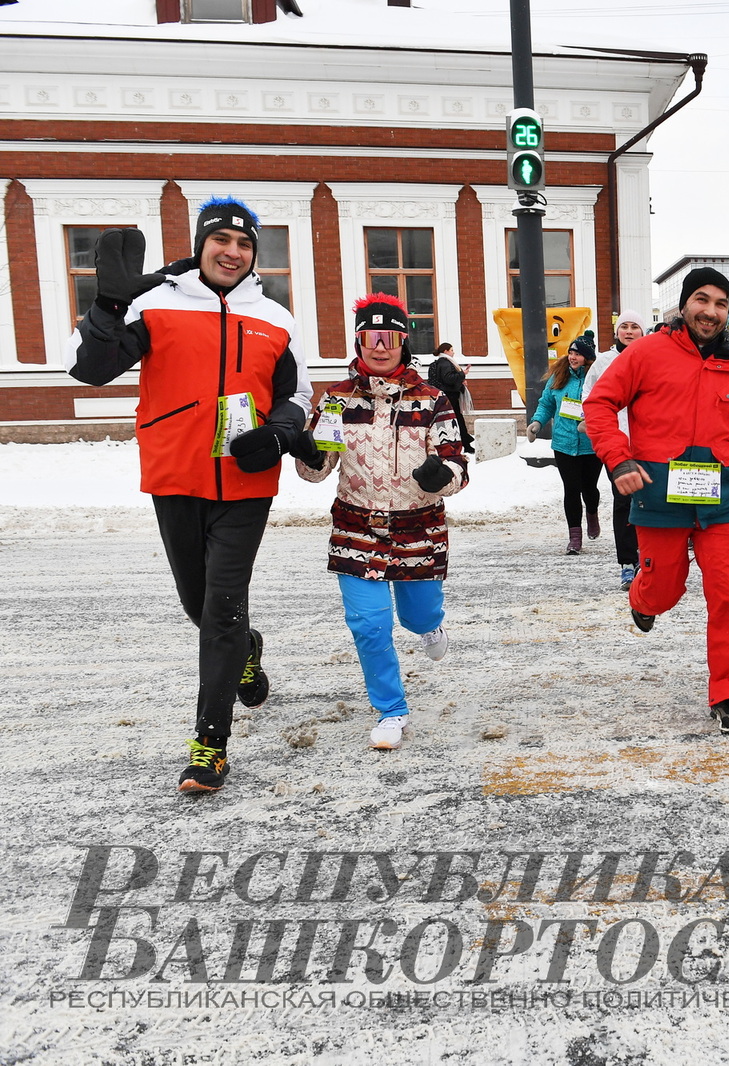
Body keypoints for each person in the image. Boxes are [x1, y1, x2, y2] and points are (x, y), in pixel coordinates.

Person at [67, 197, 311, 793]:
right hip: (176, 474)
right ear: (202, 244)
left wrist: (278, 433)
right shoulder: (154, 304)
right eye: (222, 240)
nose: (233, 252)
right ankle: (247, 648)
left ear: (255, 254)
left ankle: (210, 744)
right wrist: (107, 304)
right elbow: (94, 368)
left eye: (245, 243)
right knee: (199, 606)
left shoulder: (275, 318)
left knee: (221, 608)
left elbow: (298, 395)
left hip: (246, 482)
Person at [585, 268, 729, 736]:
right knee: (665, 589)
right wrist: (618, 460)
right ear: (684, 305)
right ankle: (644, 599)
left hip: (720, 502)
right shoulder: (646, 353)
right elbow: (599, 405)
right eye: (702, 300)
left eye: (721, 303)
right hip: (658, 498)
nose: (711, 311)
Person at [290, 294, 468, 750]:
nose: (380, 347)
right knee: (368, 624)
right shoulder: (336, 401)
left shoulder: (433, 401)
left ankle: (430, 624)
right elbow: (317, 471)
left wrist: (441, 474)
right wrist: (309, 454)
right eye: (371, 337)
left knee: (417, 614)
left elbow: (458, 465)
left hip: (418, 530)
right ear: (359, 341)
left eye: (390, 338)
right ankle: (392, 710)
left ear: (404, 343)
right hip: (355, 527)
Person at [583, 310, 646, 587]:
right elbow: (589, 395)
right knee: (624, 500)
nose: (629, 331)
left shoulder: (652, 358)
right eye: (625, 327)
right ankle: (627, 562)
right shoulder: (604, 362)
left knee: (649, 501)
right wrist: (593, 423)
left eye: (635, 327)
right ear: (617, 332)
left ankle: (649, 558)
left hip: (649, 442)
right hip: (616, 442)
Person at [529, 332, 603, 555]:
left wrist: (592, 422)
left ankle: (592, 512)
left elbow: (606, 405)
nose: (572, 357)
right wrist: (537, 422)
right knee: (571, 489)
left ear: (588, 357)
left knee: (589, 489)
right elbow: (546, 404)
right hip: (563, 443)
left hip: (591, 444)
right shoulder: (559, 376)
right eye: (571, 352)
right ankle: (575, 537)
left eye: (578, 354)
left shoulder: (597, 377)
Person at [427, 341, 475, 454]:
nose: (453, 352)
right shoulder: (446, 363)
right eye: (452, 350)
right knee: (457, 419)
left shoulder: (441, 362)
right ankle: (466, 442)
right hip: (450, 396)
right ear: (446, 351)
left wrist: (461, 380)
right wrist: (463, 373)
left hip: (446, 395)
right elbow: (448, 378)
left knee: (454, 419)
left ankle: (465, 441)